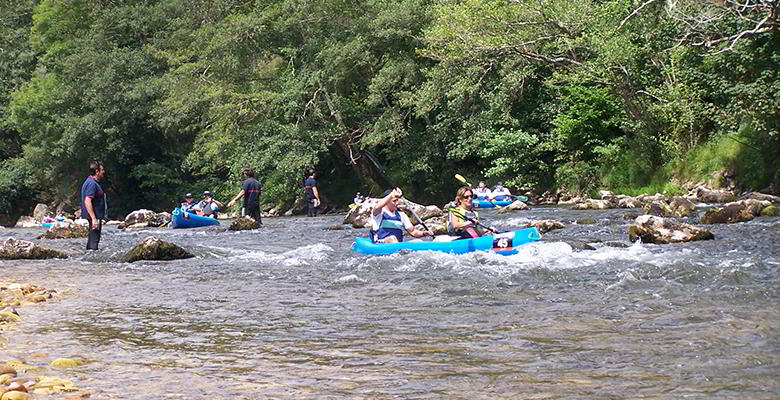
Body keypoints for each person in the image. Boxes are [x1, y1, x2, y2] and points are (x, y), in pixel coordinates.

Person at [80, 161, 106, 250]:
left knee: (92, 240)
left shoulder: (90, 182)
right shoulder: (92, 184)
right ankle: (92, 263)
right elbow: (87, 201)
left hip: (94, 217)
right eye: (102, 170)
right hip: (95, 217)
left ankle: (88, 262)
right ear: (97, 171)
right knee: (94, 241)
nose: (104, 172)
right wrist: (94, 218)